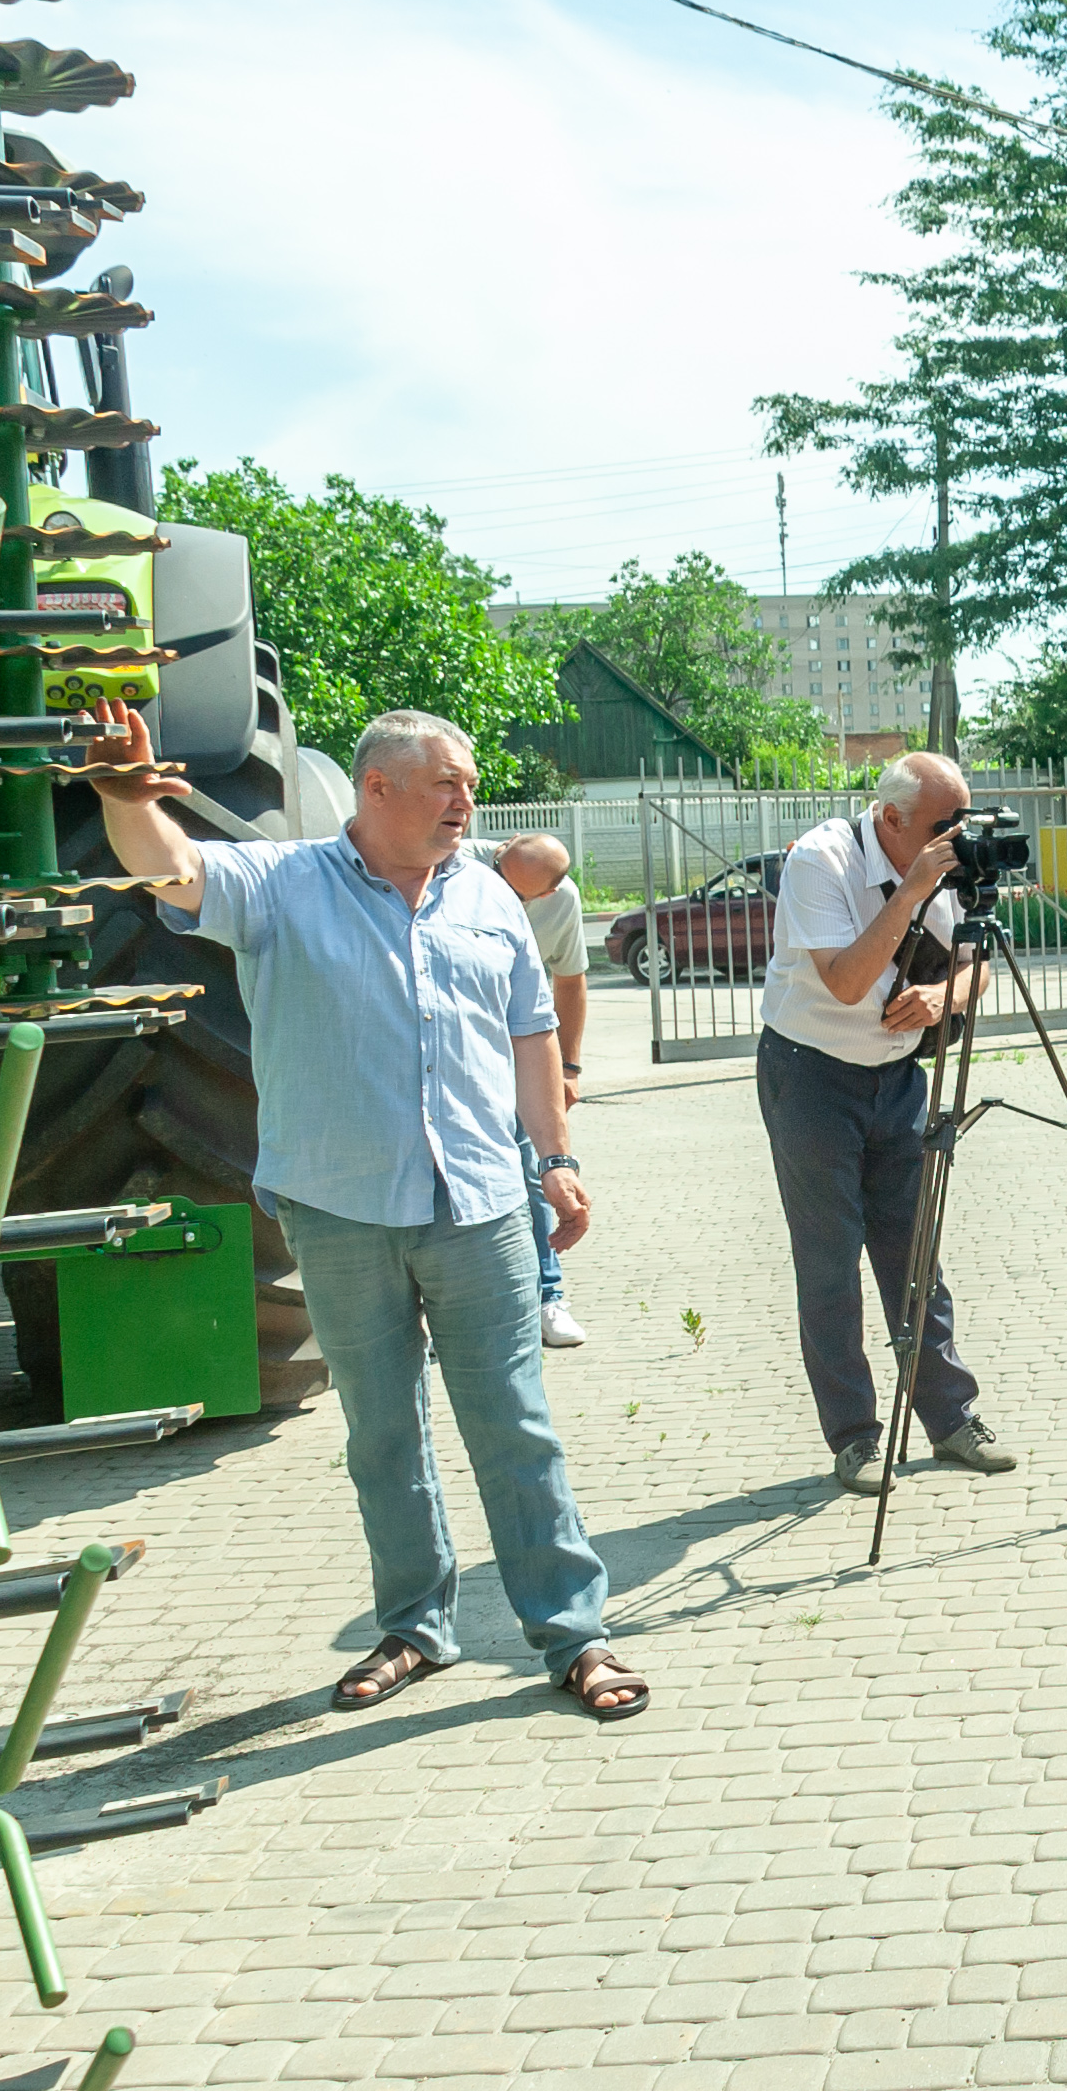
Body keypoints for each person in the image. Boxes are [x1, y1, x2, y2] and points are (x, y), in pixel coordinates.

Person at [79, 704, 644, 1722]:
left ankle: (574, 1635)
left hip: (479, 1203)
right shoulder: (282, 884)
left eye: (470, 784)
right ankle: (417, 1628)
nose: (466, 801)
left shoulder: (487, 897)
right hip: (339, 1209)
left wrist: (556, 1158)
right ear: (377, 788)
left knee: (515, 1426)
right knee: (382, 1434)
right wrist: (125, 801)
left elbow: (531, 1034)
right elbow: (174, 867)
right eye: (447, 783)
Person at [758, 752, 1019, 1498]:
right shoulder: (821, 860)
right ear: (892, 818)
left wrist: (946, 998)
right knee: (830, 1262)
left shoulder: (945, 862)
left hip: (899, 1077)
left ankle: (951, 1419)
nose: (959, 837)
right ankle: (855, 1438)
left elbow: (981, 961)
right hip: (812, 1075)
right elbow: (845, 983)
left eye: (964, 820)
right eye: (945, 825)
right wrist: (911, 890)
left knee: (914, 1256)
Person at [475, 833, 592, 1349]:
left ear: (545, 895)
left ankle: (547, 1299)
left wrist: (568, 1068)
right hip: (449, 1052)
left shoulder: (560, 904)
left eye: (517, 892)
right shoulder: (457, 865)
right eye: (499, 871)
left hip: (515, 1053)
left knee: (536, 1173)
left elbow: (569, 980)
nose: (499, 889)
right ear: (502, 848)